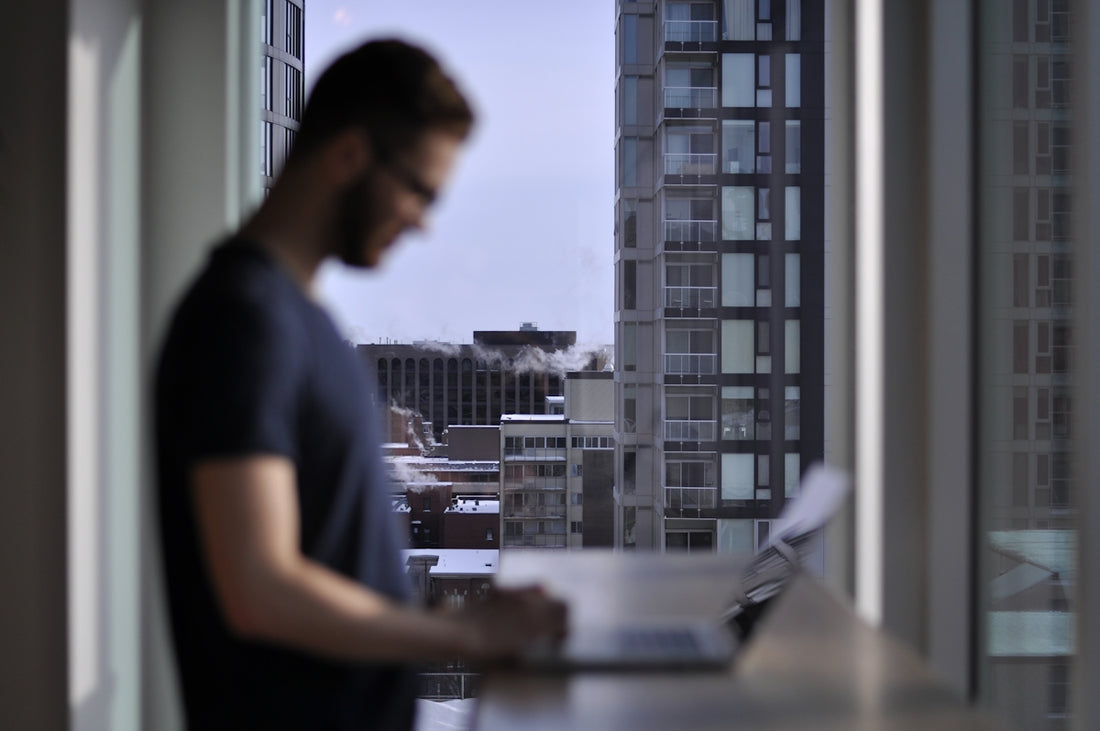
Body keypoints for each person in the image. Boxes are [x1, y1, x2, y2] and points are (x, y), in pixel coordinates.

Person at [155, 39, 566, 730]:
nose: (423, 222)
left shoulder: (300, 320)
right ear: (348, 155)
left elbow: (331, 559)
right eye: (418, 190)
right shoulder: (242, 320)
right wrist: (468, 635)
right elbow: (260, 587)